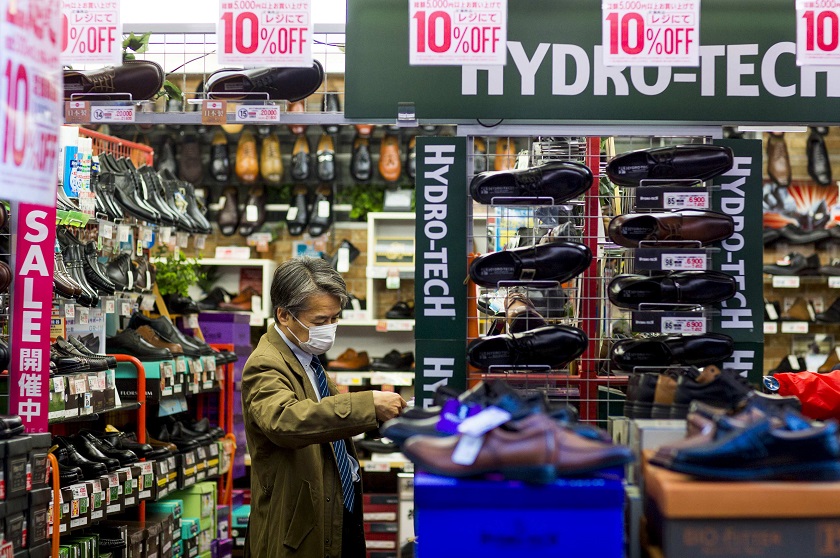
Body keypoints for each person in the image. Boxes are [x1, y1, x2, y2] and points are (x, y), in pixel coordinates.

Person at [241, 257, 407, 558]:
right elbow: (284, 421)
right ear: (284, 316)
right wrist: (367, 404)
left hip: (331, 506)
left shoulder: (306, 358)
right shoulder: (266, 364)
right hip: (297, 526)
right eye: (320, 321)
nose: (330, 328)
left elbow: (328, 424)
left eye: (335, 318)